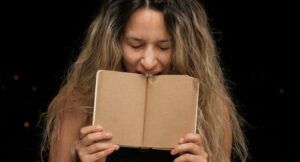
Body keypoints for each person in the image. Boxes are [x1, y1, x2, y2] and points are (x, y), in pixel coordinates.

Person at [41, 0, 248, 162]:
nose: (148, 61)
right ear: (115, 41)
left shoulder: (214, 107)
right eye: (136, 45)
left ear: (185, 49)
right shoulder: (77, 104)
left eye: (164, 47)